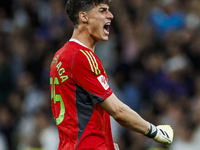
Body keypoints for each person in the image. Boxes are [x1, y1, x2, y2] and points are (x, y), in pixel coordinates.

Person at [49, 0, 174, 149]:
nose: (111, 15)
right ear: (84, 17)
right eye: (102, 10)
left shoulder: (59, 56)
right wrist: (156, 132)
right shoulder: (82, 56)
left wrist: (107, 143)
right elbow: (117, 111)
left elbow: (79, 110)